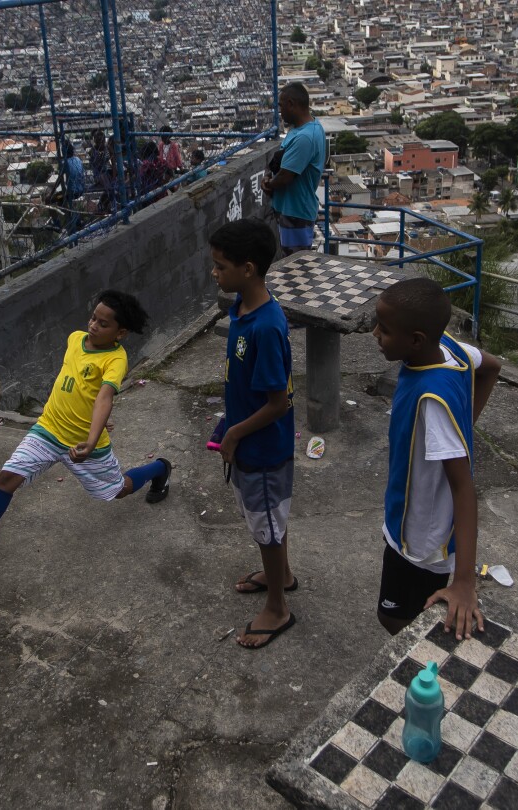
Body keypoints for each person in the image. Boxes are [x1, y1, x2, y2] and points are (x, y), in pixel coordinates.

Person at [0, 290, 173, 579]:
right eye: (93, 317)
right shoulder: (74, 340)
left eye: (104, 324)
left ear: (122, 332)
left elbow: (104, 396)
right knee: (5, 479)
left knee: (119, 490)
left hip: (83, 443)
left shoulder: (115, 359)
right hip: (48, 429)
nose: (93, 325)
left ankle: (160, 468)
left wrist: (92, 439)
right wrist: (92, 416)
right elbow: (76, 386)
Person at [370, 277, 502, 640]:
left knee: (394, 618)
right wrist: (464, 430)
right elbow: (491, 366)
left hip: (421, 540)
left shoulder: (432, 399)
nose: (375, 334)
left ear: (415, 339)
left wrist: (464, 582)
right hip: (415, 521)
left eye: (384, 329)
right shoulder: (447, 347)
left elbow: (463, 488)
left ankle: (425, 668)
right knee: (406, 612)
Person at [208, 218, 298, 650]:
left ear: (248, 268)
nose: (214, 273)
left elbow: (278, 403)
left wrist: (234, 435)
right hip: (249, 439)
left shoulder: (265, 325)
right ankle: (282, 574)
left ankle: (278, 607)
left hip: (261, 449)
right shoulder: (242, 309)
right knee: (270, 517)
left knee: (266, 523)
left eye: (221, 266)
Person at [261, 83, 326, 255]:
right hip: (290, 208)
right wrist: (270, 175)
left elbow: (286, 176)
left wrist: (269, 185)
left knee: (296, 265)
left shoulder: (305, 137)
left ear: (291, 104)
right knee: (290, 260)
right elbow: (281, 158)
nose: (280, 112)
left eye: (281, 106)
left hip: (296, 211)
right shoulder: (302, 129)